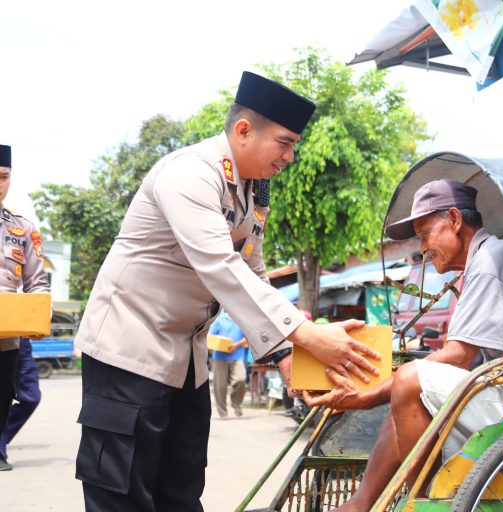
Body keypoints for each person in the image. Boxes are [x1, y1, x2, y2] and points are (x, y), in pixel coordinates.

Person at [74, 72, 380, 511]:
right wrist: (308, 335)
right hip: (129, 351)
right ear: (242, 131)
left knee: (180, 489)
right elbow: (221, 265)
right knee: (122, 495)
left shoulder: (253, 193)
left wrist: (284, 353)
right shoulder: (189, 173)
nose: (291, 156)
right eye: (285, 142)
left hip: (186, 360)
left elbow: (252, 272)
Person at [304, 179, 503, 511]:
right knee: (405, 396)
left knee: (411, 381)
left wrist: (367, 396)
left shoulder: (492, 260)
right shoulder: (481, 263)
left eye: (424, 234)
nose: (423, 248)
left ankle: (423, 501)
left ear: (455, 220)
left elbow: (458, 357)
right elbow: (457, 356)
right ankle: (361, 503)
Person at [0, 144, 49, 471]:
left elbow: (37, 279)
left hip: (8, 336)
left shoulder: (22, 228)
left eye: (3, 177)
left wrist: (38, 319)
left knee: (5, 400)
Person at [208, 310, 248, 419]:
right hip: (219, 356)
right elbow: (210, 337)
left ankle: (236, 404)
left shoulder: (242, 320)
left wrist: (236, 345)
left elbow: (248, 337)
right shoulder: (220, 320)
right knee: (220, 386)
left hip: (237, 356)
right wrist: (219, 344)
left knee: (241, 379)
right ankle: (223, 413)